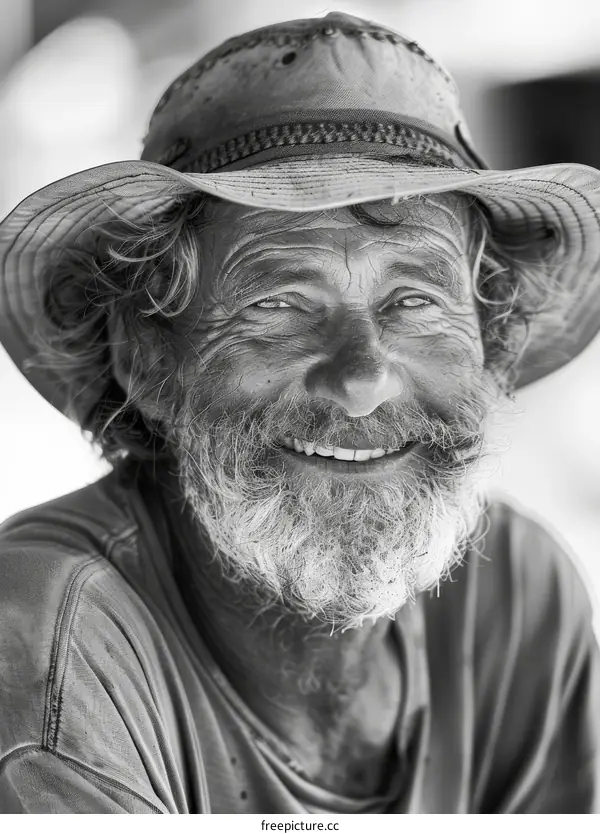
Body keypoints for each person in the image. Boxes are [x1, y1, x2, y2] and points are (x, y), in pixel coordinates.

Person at [0, 11, 598, 815]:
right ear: (147, 358)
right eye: (280, 303)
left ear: (491, 346)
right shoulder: (47, 645)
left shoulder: (518, 599)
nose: (362, 380)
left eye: (414, 302)